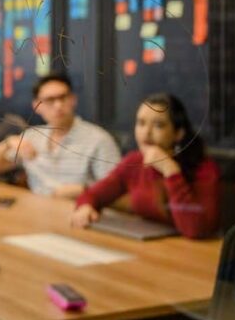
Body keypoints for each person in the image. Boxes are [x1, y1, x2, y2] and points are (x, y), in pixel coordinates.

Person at [71, 93, 220, 239]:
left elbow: (195, 229)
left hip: (191, 250)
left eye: (158, 125)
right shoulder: (134, 162)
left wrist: (170, 170)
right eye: (141, 123)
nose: (146, 133)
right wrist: (86, 206)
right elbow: (92, 195)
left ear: (178, 133)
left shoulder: (204, 169)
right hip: (148, 244)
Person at [0, 73, 121, 198]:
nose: (58, 105)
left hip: (80, 213)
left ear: (73, 100)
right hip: (38, 213)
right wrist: (8, 143)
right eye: (50, 100)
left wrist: (85, 190)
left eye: (63, 98)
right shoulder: (32, 137)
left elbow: (120, 192)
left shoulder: (99, 139)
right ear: (37, 106)